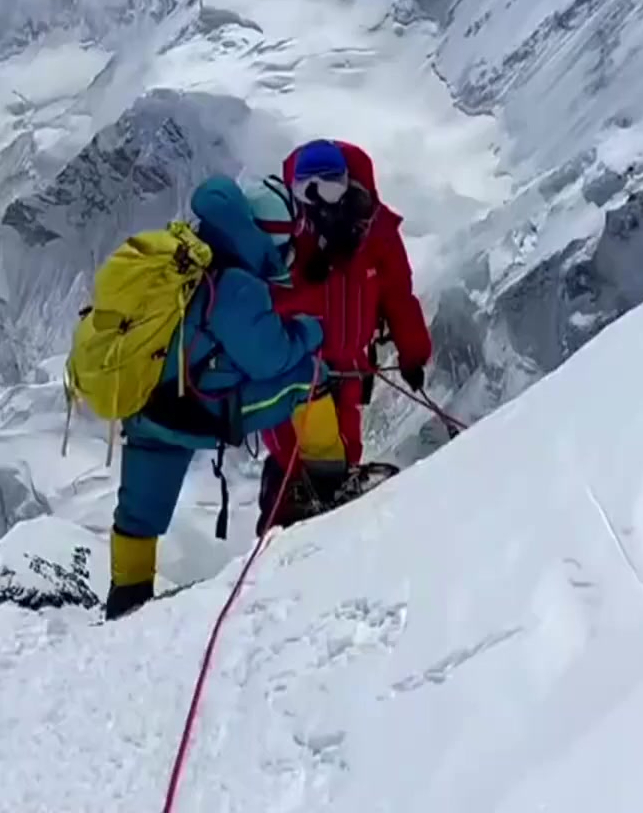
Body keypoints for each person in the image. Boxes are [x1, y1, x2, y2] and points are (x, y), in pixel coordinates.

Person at [105, 175, 324, 621]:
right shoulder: (237, 285)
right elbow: (271, 358)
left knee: (139, 512)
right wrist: (310, 331)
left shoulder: (185, 253)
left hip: (143, 401)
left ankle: (127, 596)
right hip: (190, 411)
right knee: (308, 375)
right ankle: (330, 478)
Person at [258, 138, 431, 527]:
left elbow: (397, 294)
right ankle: (283, 528)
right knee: (299, 457)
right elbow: (262, 297)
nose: (319, 199)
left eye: (329, 186)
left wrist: (413, 352)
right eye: (308, 189)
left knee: (344, 452)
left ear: (348, 182)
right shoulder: (286, 228)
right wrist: (304, 272)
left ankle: (315, 536)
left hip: (350, 364)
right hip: (297, 364)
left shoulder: (376, 231)